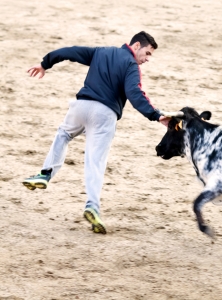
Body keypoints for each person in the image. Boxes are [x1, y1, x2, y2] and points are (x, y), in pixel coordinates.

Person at [23, 31, 170, 234]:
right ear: (136, 46)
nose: (146, 59)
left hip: (80, 106)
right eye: (147, 53)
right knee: (95, 162)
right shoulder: (131, 66)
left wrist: (45, 64)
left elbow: (69, 51)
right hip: (104, 115)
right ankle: (92, 205)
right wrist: (156, 115)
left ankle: (45, 174)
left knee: (63, 135)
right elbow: (135, 93)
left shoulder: (101, 52)